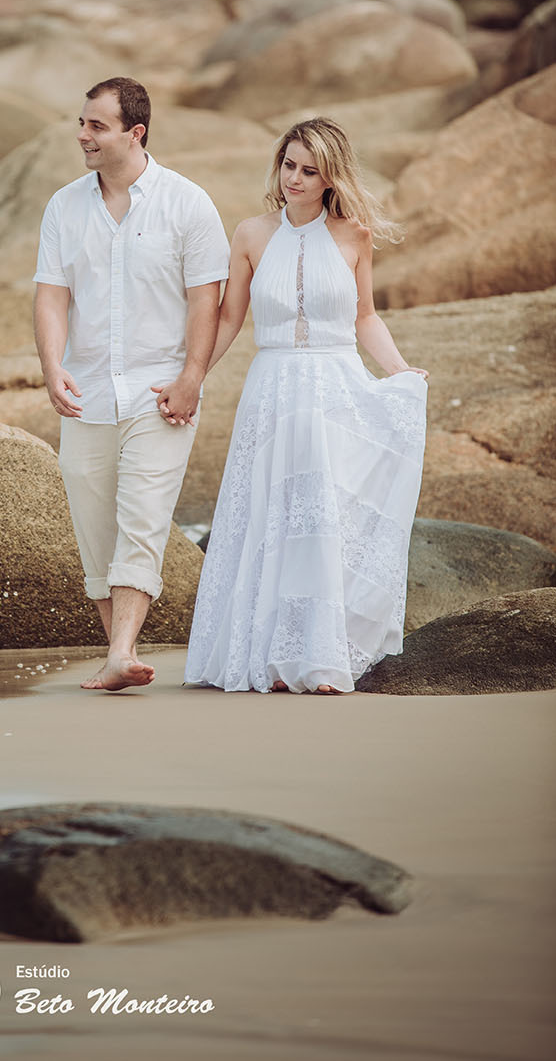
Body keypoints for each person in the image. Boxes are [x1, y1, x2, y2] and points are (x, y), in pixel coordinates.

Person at [184, 116, 428, 696]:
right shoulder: (249, 234)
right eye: (288, 164)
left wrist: (398, 371)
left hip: (336, 388)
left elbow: (364, 316)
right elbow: (228, 319)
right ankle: (264, 656)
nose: (293, 177)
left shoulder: (355, 237)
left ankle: (319, 659)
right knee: (268, 515)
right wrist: (191, 378)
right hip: (271, 389)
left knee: (323, 517)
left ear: (330, 178)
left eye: (308, 170)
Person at [34, 76, 230, 692]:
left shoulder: (187, 203)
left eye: (96, 125)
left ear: (134, 133)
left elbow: (208, 302)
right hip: (87, 392)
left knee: (142, 520)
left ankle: (121, 651)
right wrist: (51, 364)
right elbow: (51, 297)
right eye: (82, 123)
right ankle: (118, 647)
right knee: (95, 528)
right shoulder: (63, 206)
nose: (82, 135)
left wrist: (192, 378)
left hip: (159, 394)